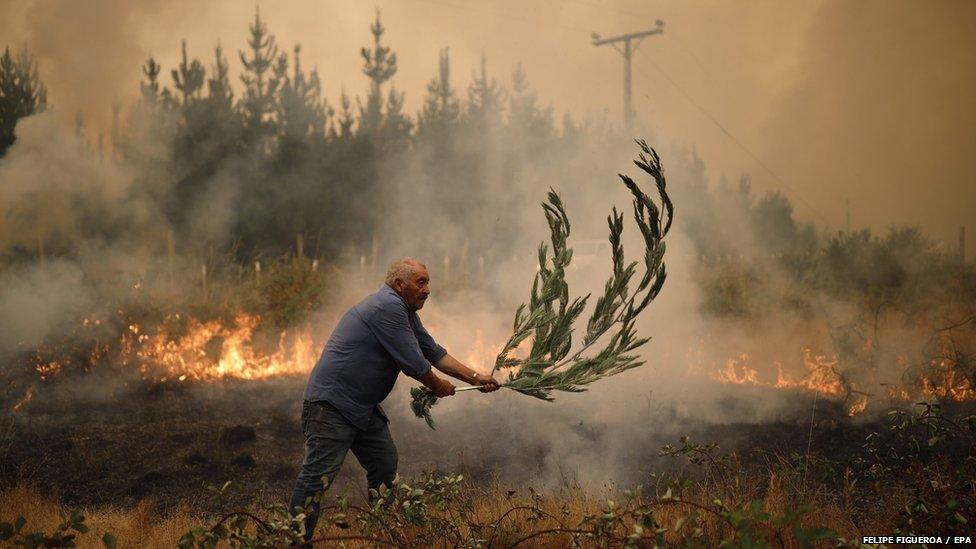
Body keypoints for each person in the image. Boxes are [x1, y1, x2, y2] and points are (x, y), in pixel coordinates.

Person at [288, 257, 499, 542]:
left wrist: (476, 377)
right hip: (333, 404)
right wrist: (439, 386)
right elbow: (415, 364)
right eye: (421, 282)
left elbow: (434, 353)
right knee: (317, 478)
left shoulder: (405, 311)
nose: (427, 289)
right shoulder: (387, 307)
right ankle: (293, 541)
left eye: (428, 282)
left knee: (385, 465)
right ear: (399, 284)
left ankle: (382, 537)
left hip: (361, 407)